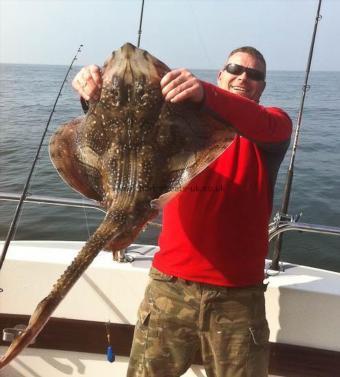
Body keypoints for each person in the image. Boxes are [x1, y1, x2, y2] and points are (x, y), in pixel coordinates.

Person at [72, 46, 292, 377]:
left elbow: (268, 126)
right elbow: (128, 132)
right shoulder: (182, 127)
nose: (244, 77)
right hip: (169, 288)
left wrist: (205, 94)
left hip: (238, 296)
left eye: (255, 74)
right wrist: (96, 99)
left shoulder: (269, 128)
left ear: (262, 86)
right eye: (235, 69)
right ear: (222, 74)